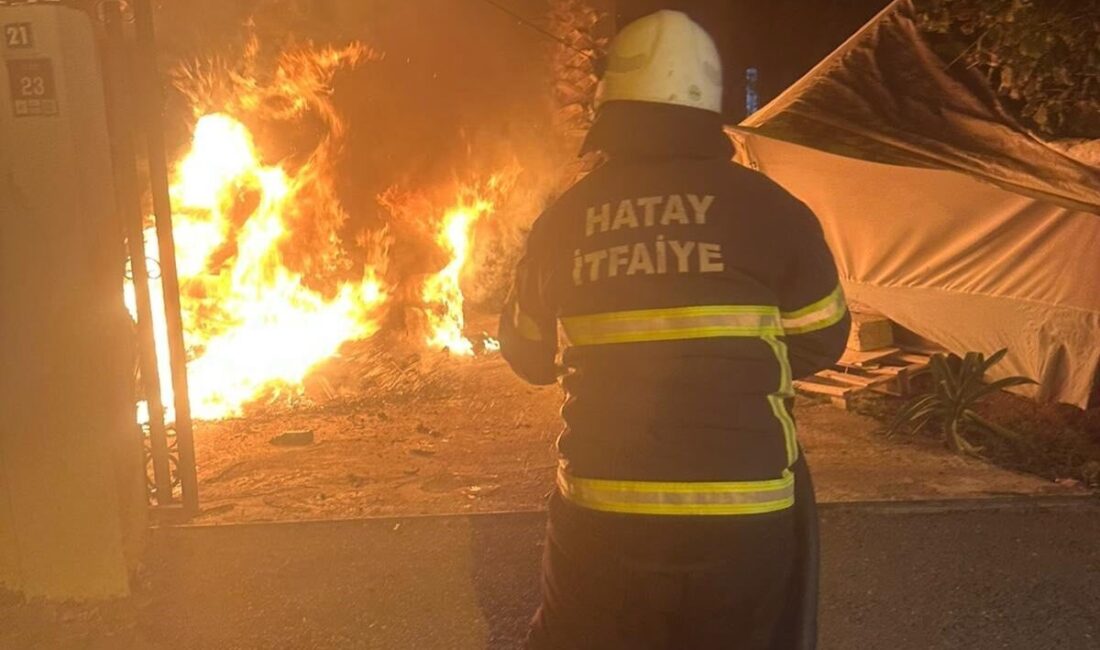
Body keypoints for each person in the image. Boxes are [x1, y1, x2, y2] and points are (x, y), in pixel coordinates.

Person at [498, 10, 850, 649]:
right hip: (746, 515)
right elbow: (824, 337)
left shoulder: (565, 219)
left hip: (604, 512)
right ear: (708, 110)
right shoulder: (770, 209)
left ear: (612, 108)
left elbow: (525, 354)